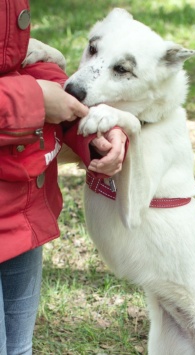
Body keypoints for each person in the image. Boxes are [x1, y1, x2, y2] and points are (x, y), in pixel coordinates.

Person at [0, 1, 128, 354]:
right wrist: (36, 100)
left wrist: (93, 129)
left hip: (18, 211)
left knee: (18, 347)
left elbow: (17, 57)